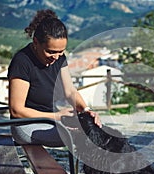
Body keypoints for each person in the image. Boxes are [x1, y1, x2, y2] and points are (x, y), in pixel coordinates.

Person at [7, 9, 102, 147]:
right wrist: (56, 116)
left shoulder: (59, 59)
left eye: (61, 52)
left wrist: (87, 111)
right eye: (50, 52)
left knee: (93, 128)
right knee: (83, 134)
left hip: (50, 121)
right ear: (35, 42)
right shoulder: (22, 61)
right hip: (25, 126)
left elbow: (70, 91)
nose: (56, 57)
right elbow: (17, 110)